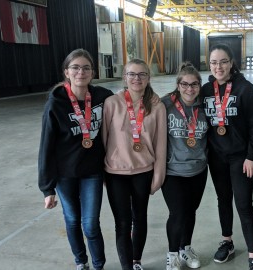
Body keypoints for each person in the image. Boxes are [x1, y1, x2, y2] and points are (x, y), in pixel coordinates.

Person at [38, 48, 112, 270]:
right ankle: (81, 262)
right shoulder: (56, 103)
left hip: (92, 172)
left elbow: (129, 103)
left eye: (86, 68)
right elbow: (46, 148)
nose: (81, 72)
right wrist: (47, 188)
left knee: (90, 224)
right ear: (66, 72)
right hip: (65, 174)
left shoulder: (102, 97)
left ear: (92, 72)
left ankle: (98, 265)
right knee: (72, 220)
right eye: (76, 67)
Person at [201, 44, 253, 270]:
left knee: (244, 204)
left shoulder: (245, 89)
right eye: (214, 62)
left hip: (240, 158)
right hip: (216, 158)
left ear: (231, 63)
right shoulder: (206, 89)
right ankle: (227, 241)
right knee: (223, 200)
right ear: (209, 64)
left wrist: (251, 156)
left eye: (223, 61)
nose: (219, 67)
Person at [102, 58, 167, 270]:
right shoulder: (112, 103)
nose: (136, 79)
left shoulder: (156, 105)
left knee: (140, 218)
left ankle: (136, 260)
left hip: (143, 171)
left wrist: (159, 174)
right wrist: (102, 172)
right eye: (131, 74)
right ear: (125, 77)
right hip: (115, 173)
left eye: (141, 74)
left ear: (148, 78)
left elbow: (160, 144)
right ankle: (126, 267)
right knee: (122, 223)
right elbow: (103, 139)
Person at [160, 62, 209, 270]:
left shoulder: (205, 106)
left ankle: (185, 248)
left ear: (200, 85)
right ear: (178, 85)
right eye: (185, 84)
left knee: (190, 211)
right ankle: (172, 255)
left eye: (195, 84)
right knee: (178, 213)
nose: (190, 89)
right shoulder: (164, 105)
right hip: (173, 171)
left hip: (198, 169)